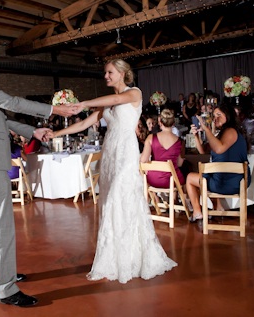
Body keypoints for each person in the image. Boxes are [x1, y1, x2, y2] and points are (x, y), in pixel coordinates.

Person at [0, 34, 75, 307]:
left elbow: (2, 116)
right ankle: (7, 289)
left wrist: (32, 130)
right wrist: (53, 109)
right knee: (1, 224)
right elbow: (11, 102)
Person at [50, 58, 177, 283]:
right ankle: (113, 257)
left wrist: (85, 102)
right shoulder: (106, 104)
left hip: (126, 154)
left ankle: (132, 258)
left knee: (123, 198)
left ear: (121, 73)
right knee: (109, 202)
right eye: (105, 73)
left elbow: (118, 98)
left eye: (109, 72)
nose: (106, 76)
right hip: (110, 154)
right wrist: (56, 134)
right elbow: (83, 124)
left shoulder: (134, 93)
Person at [186, 104, 251, 222]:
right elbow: (203, 151)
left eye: (219, 115)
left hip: (230, 181)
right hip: (232, 180)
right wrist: (196, 135)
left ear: (229, 116)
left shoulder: (230, 131)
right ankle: (218, 207)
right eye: (214, 115)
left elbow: (219, 149)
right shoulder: (221, 134)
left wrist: (206, 128)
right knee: (210, 175)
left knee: (190, 177)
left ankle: (197, 212)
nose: (215, 118)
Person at [141, 109, 185, 188]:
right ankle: (175, 199)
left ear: (160, 123)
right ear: (173, 123)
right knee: (182, 178)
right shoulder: (181, 142)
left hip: (153, 179)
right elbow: (179, 164)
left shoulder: (151, 138)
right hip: (172, 180)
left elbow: (143, 160)